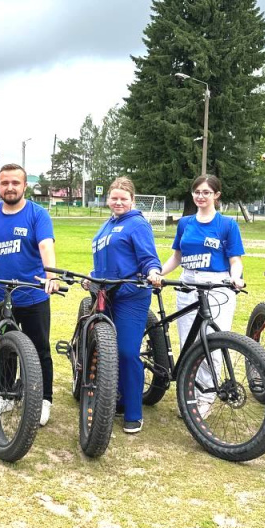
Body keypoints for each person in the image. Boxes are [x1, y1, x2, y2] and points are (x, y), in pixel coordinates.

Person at [0, 164, 60, 426]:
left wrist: (51, 275)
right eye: (5, 183)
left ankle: (44, 399)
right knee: (4, 348)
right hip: (0, 294)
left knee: (40, 349)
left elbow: (46, 244)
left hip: (33, 295)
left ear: (25, 186)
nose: (10, 187)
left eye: (15, 183)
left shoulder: (37, 214)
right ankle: (8, 394)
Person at [159, 175, 245, 415]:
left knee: (212, 344)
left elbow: (235, 260)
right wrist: (158, 271)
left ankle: (205, 397)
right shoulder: (185, 223)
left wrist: (236, 277)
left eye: (206, 192)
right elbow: (177, 256)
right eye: (197, 191)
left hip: (217, 286)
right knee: (189, 343)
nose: (200, 196)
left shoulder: (227, 224)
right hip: (188, 283)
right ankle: (189, 395)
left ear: (216, 195)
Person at [89, 177, 162, 434]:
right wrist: (92, 276)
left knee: (127, 352)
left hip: (131, 296)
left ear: (132, 200)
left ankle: (133, 411)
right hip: (105, 295)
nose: (118, 202)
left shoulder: (137, 224)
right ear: (108, 199)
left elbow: (149, 257)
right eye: (114, 198)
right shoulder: (107, 225)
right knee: (107, 351)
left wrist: (153, 272)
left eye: (123, 198)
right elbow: (105, 261)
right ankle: (114, 398)